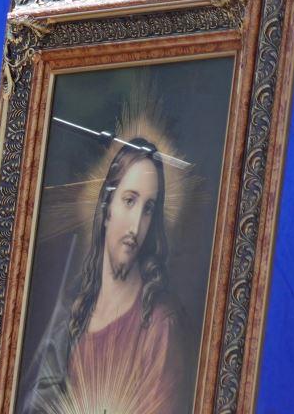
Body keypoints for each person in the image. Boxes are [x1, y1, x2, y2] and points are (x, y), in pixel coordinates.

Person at [23, 141, 186, 414]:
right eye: (129, 201)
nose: (136, 227)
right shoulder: (74, 313)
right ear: (107, 207)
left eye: (148, 209)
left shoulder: (160, 325)